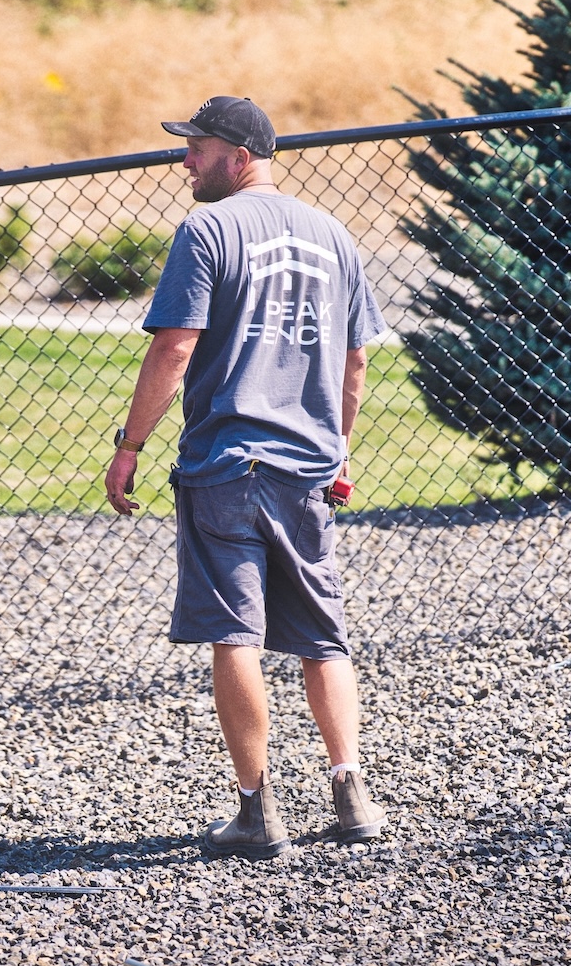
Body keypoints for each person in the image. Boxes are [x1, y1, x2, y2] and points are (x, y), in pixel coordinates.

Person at [103, 95, 388, 859]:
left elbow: (173, 349)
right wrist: (340, 446)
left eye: (196, 147)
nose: (185, 160)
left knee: (235, 633)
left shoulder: (206, 230)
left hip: (227, 464)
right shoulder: (334, 235)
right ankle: (351, 791)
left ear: (238, 154)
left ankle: (257, 810)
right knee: (324, 637)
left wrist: (130, 444)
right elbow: (355, 361)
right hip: (307, 469)